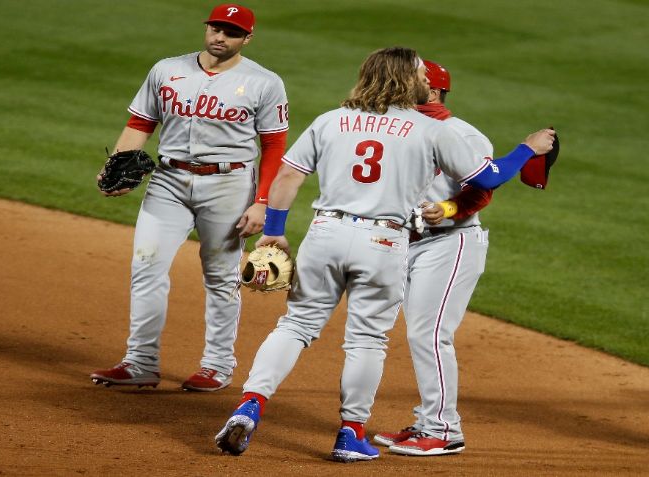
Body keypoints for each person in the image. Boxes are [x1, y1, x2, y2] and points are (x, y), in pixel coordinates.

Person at [214, 46, 554, 462]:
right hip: (383, 242)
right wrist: (526, 148)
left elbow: (288, 175)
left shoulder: (331, 120)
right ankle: (350, 434)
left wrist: (275, 234)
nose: (426, 80)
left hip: (325, 233)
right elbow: (490, 177)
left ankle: (250, 404)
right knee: (367, 340)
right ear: (408, 80)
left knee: (295, 325)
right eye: (420, 74)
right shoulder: (429, 130)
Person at [90, 3, 290, 392]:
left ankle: (217, 365)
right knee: (146, 267)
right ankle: (141, 362)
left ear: (247, 38)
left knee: (220, 276)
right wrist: (116, 163)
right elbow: (140, 122)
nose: (220, 37)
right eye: (216, 28)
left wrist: (262, 201)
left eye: (231, 32)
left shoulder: (265, 82)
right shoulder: (167, 69)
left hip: (229, 185)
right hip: (169, 180)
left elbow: (274, 145)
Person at [372, 60, 494, 456]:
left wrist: (449, 209)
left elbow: (482, 190)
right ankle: (428, 420)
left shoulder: (461, 134)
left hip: (450, 242)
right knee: (418, 333)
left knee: (430, 334)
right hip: (405, 243)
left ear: (433, 91)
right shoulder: (398, 127)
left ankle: (444, 430)